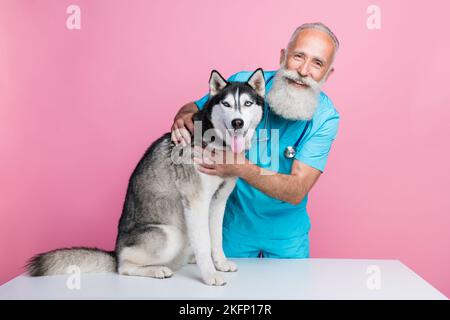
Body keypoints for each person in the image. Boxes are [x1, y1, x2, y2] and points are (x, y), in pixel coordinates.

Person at [171, 22, 340, 258]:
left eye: (317, 63)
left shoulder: (326, 117)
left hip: (288, 241)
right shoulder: (245, 86)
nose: (303, 70)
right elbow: (197, 108)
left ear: (327, 73)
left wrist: (240, 167)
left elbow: (296, 189)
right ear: (283, 56)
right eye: (298, 56)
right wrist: (183, 115)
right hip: (230, 231)